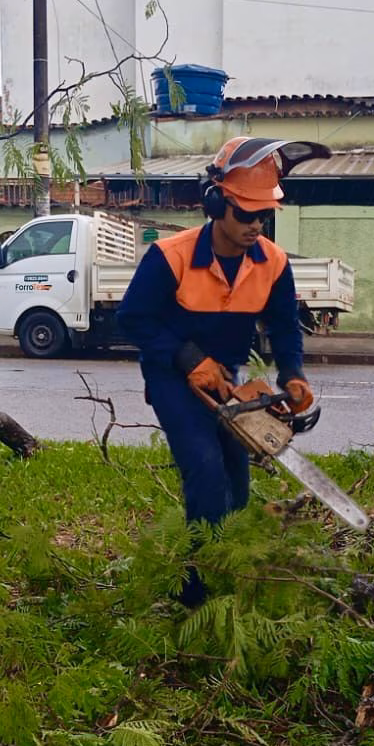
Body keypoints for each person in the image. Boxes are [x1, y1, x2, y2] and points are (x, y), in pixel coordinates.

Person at [118, 136, 330, 607]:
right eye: (246, 214)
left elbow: (282, 325)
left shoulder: (273, 264)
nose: (256, 224)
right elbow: (132, 318)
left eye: (263, 215)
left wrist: (292, 373)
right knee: (206, 468)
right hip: (172, 376)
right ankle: (193, 589)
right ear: (217, 204)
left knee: (237, 481)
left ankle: (227, 563)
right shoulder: (170, 257)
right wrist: (188, 358)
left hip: (228, 378)